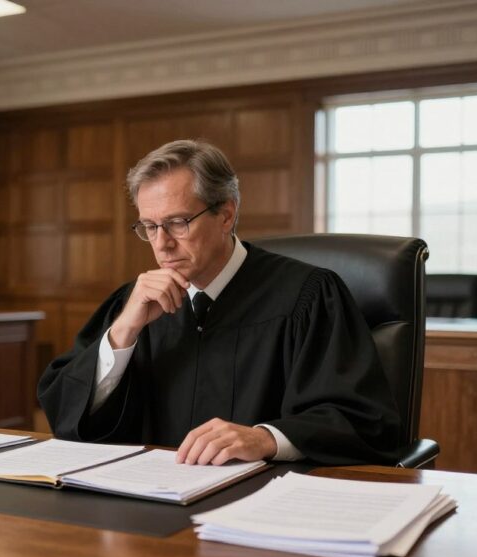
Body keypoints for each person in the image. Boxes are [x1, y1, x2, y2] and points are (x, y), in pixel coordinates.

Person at [38, 140, 401, 466]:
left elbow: (362, 419)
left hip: (260, 508)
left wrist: (265, 438)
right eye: (148, 226)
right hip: (149, 507)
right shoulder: (134, 302)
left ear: (225, 214)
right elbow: (64, 411)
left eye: (177, 223)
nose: (161, 244)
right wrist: (123, 332)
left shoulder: (307, 296)